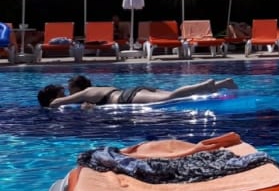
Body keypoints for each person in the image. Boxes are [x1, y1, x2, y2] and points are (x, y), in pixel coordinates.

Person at [38, 76, 238, 109]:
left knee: (171, 98)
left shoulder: (85, 93)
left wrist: (53, 103)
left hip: (127, 98)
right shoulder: (95, 89)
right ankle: (221, 84)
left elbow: (54, 104)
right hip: (133, 91)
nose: (68, 94)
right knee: (171, 95)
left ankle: (206, 85)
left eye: (69, 91)